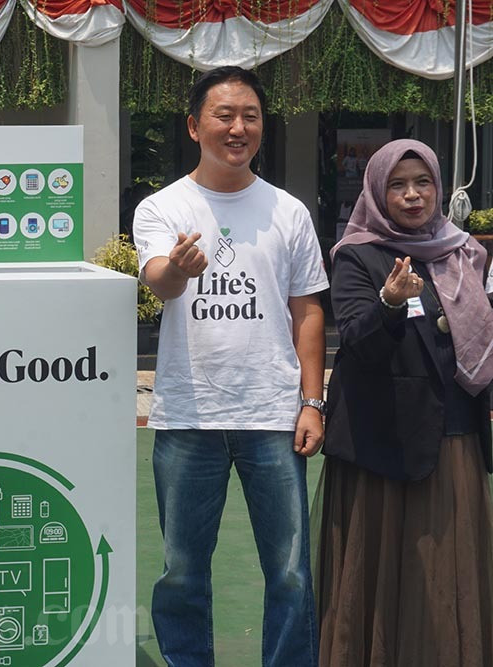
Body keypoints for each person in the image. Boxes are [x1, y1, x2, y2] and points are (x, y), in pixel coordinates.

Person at [133, 66, 328, 667]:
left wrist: (312, 401)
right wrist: (178, 269)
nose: (238, 127)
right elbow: (159, 281)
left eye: (251, 116)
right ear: (195, 127)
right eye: (224, 116)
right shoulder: (162, 207)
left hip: (272, 413)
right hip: (189, 415)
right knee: (182, 569)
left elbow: (307, 311)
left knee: (289, 569)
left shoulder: (288, 211)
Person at [317, 139, 493, 666]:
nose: (413, 195)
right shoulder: (358, 255)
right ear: (377, 191)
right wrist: (390, 304)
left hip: (455, 437)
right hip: (385, 445)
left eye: (423, 183)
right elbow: (357, 345)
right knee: (386, 575)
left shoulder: (465, 252)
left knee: (449, 575)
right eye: (398, 185)